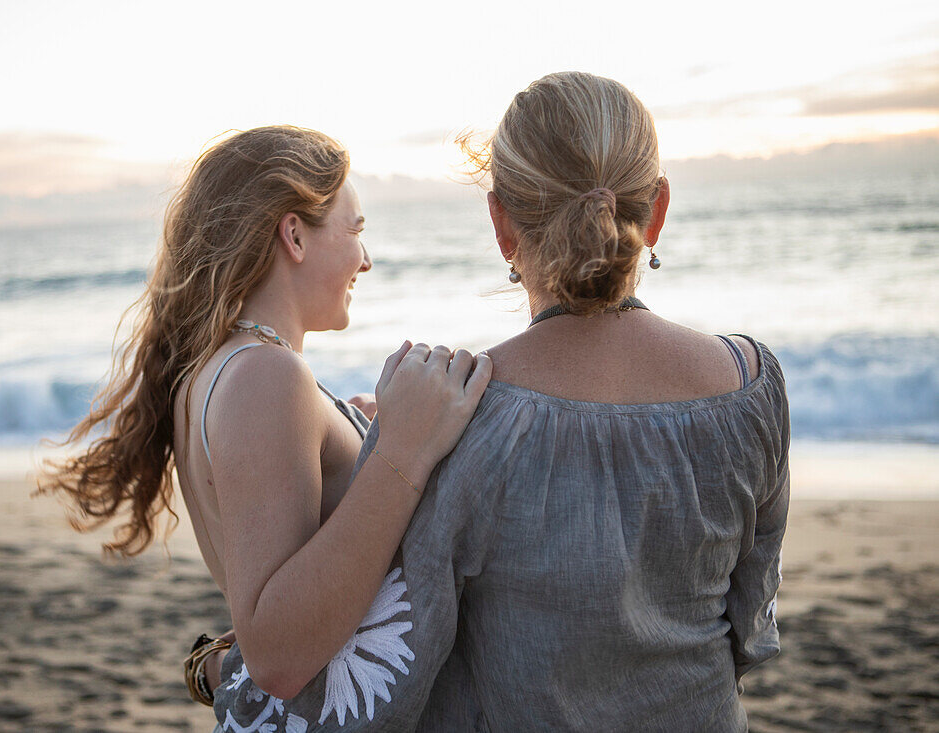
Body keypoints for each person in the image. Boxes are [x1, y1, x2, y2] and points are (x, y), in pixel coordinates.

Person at [212, 72, 789, 732]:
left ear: (501, 224)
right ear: (655, 210)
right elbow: (749, 628)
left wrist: (217, 669)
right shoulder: (753, 385)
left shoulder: (458, 416)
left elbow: (395, 673)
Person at [37, 125, 492, 710]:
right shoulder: (265, 378)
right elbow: (276, 652)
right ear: (295, 236)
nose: (368, 260)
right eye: (355, 231)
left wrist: (350, 431)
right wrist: (403, 450)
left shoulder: (218, 370)